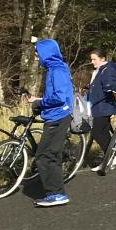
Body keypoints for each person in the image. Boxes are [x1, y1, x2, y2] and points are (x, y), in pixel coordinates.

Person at [30, 38, 75, 206]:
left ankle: (56, 194)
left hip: (58, 117)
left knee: (45, 156)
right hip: (56, 115)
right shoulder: (56, 68)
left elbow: (59, 97)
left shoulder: (56, 70)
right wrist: (40, 100)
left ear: (46, 53)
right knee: (49, 154)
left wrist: (40, 103)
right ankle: (55, 192)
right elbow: (57, 95)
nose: (35, 56)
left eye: (37, 52)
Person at [84, 48, 116, 171]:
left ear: (103, 59)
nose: (92, 62)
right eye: (91, 59)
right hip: (98, 106)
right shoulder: (100, 70)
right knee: (104, 133)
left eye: (94, 59)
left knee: (96, 132)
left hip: (104, 107)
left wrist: (96, 95)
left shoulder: (107, 70)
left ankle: (111, 157)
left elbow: (109, 87)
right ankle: (109, 159)